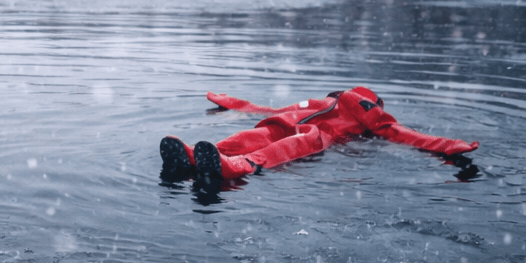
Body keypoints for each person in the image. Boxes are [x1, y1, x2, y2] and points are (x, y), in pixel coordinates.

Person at [160, 86, 478, 181]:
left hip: (310, 131)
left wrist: (450, 146)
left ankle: (235, 164)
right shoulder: (329, 101)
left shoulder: (361, 107)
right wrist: (230, 102)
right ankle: (201, 156)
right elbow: (400, 134)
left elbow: (396, 131)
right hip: (297, 127)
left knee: (256, 140)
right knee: (256, 138)